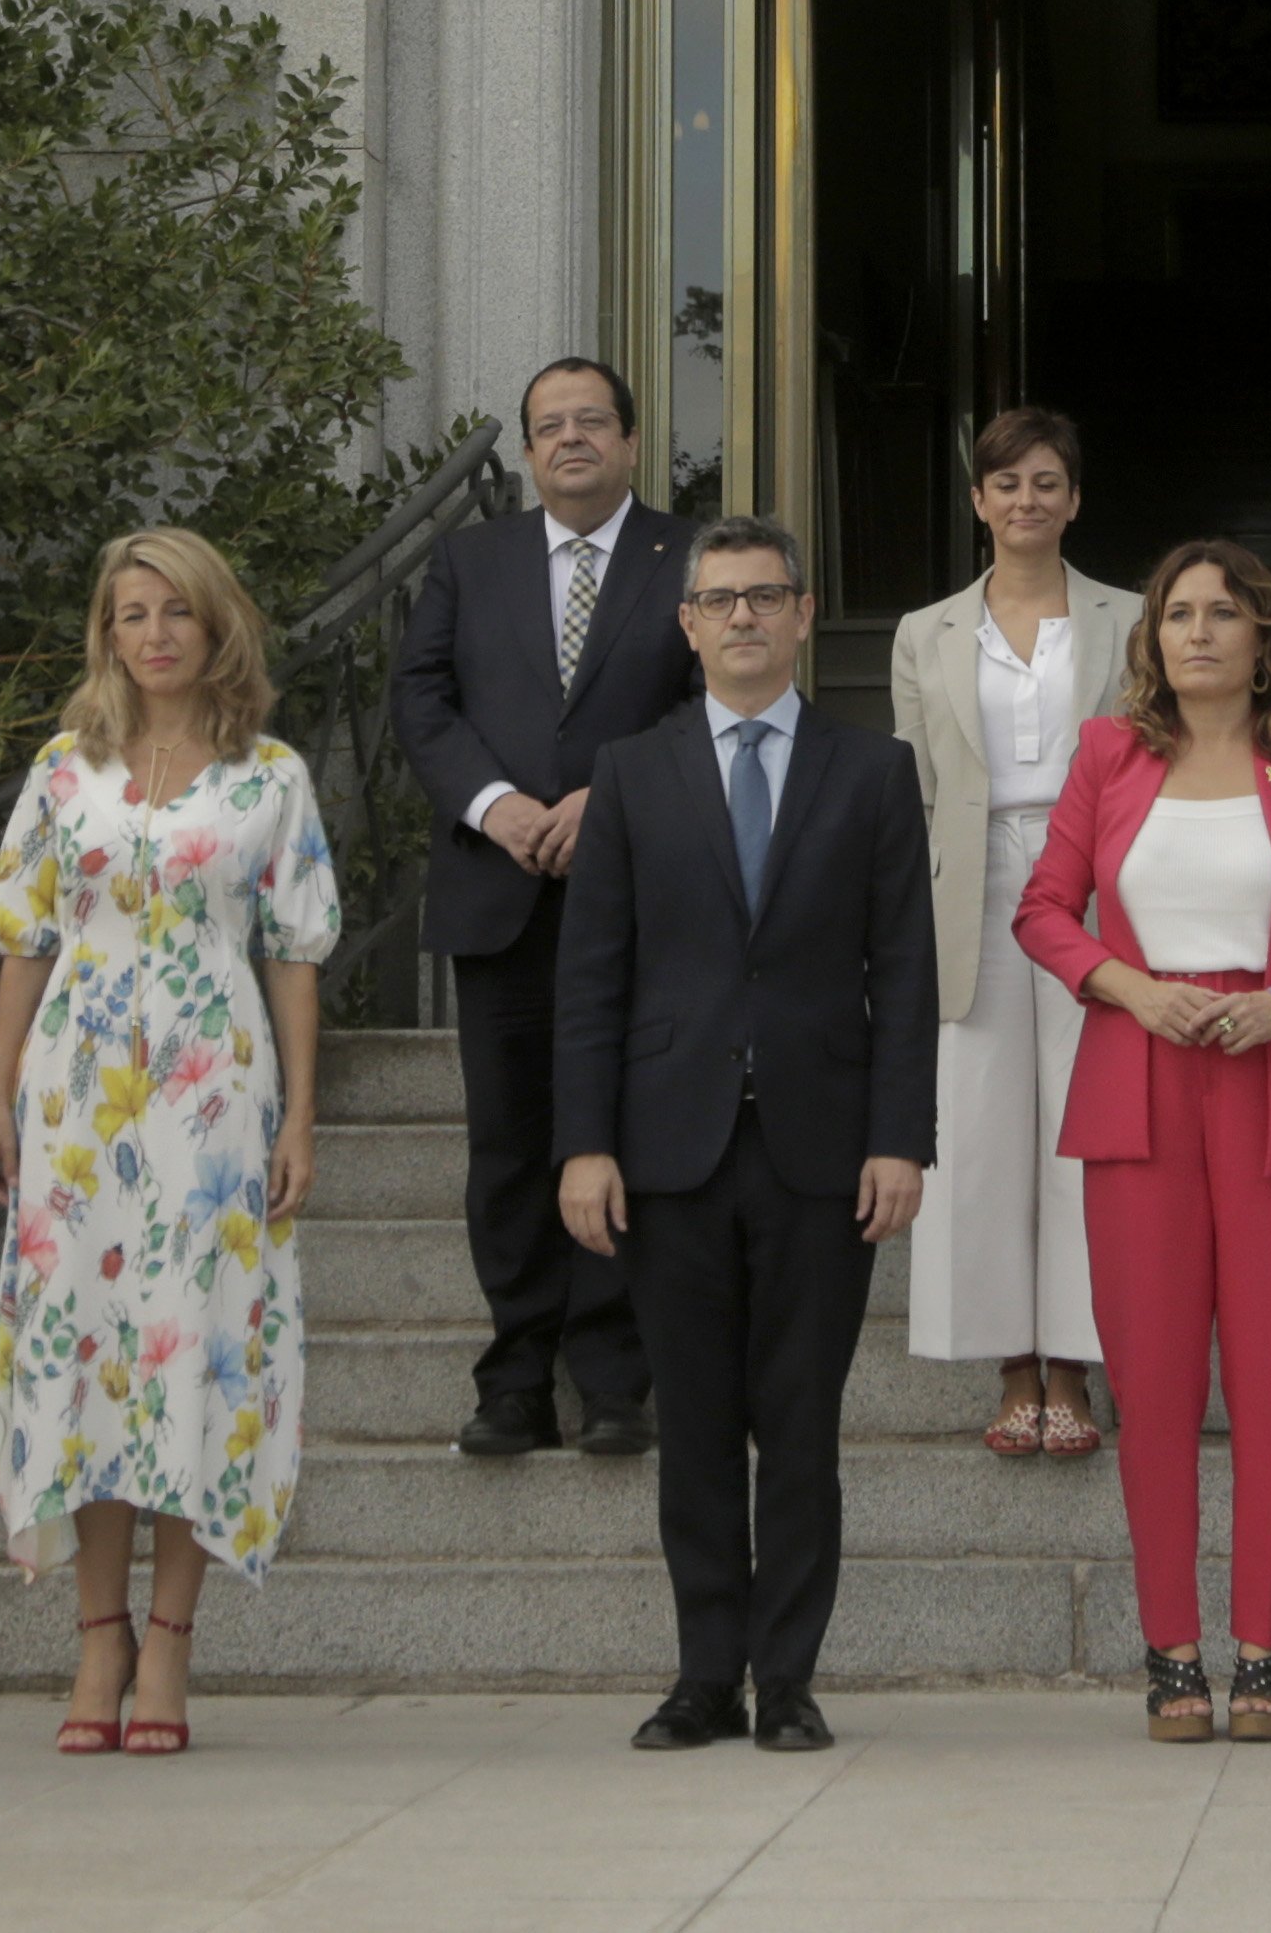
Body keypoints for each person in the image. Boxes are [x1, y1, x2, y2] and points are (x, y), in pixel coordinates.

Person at [1014, 542, 1271, 1746]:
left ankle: (1267, 1654)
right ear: (1154, 639)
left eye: (1220, 612)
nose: (1196, 630)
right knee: (1157, 1384)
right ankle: (1172, 1651)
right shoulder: (1107, 754)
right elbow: (1042, 908)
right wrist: (1129, 986)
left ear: (1260, 632)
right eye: (1177, 613)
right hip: (1140, 1082)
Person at [554, 516, 934, 1757]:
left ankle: (789, 1679)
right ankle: (702, 1674)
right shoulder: (631, 770)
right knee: (700, 1428)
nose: (742, 619)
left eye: (764, 596)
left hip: (824, 1152)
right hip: (669, 1149)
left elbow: (907, 970)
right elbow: (593, 975)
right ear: (687, 624)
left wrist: (901, 1137)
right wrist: (583, 1143)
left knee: (803, 1429)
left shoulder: (872, 770)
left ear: (805, 612)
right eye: (718, 601)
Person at [0, 529, 334, 1757]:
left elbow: (293, 949)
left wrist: (299, 1112)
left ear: (216, 620)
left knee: (198, 1354)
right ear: (108, 633)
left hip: (212, 1099)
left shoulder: (268, 775)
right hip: (76, 1097)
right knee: (82, 1354)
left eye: (177, 609)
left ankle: (171, 1641)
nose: (157, 633)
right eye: (132, 613)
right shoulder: (64, 772)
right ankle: (96, 1633)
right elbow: (26, 938)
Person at [392, 357, 697, 1459]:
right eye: (547, 425)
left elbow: (717, 703)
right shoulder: (470, 561)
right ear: (527, 452)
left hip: (642, 896)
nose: (570, 438)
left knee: (623, 1130)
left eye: (591, 421)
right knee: (511, 1142)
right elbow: (419, 698)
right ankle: (515, 1375)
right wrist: (495, 803)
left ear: (627, 438)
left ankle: (615, 1375)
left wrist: (605, 797)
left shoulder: (690, 560)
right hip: (500, 891)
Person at [885, 405, 1137, 1456]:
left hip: (1098, 877)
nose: (1026, 499)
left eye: (1046, 481)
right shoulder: (924, 630)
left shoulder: (1132, 615)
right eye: (1006, 483)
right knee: (978, 1125)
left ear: (1075, 497)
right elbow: (914, 783)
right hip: (972, 880)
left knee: (1089, 1124)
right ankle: (1010, 1364)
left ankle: (1075, 1363)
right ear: (978, 499)